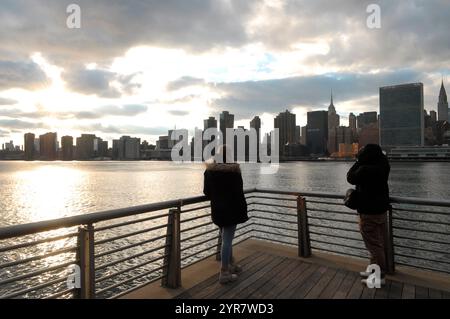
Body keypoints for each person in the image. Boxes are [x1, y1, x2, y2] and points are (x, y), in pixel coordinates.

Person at [203, 145, 249, 284]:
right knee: (227, 240)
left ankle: (231, 265)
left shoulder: (209, 171)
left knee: (226, 240)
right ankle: (224, 272)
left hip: (217, 210)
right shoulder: (234, 171)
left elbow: (206, 192)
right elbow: (239, 192)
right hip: (232, 210)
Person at [347, 144, 390, 284]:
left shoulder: (364, 169)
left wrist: (358, 161)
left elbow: (350, 177)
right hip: (381, 212)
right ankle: (373, 271)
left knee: (374, 246)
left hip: (368, 213)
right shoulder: (384, 166)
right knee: (376, 244)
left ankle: (378, 278)